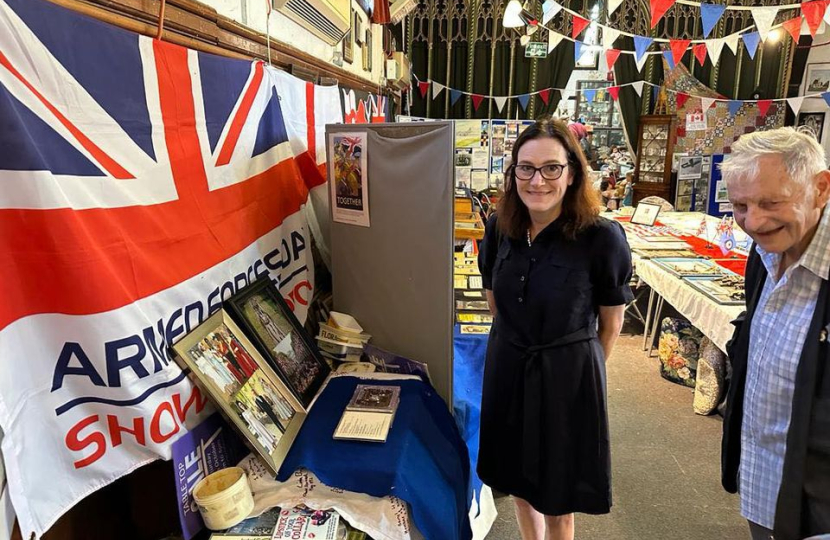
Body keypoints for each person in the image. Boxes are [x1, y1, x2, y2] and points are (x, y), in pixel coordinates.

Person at [477, 119, 633, 540]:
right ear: (513, 173)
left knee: (558, 495)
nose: (537, 180)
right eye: (525, 168)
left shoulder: (601, 238)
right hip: (509, 365)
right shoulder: (500, 227)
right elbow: (495, 301)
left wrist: (582, 376)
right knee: (517, 483)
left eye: (551, 168)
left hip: (567, 376)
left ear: (572, 172)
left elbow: (612, 323)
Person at [720, 127, 830, 540]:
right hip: (765, 483)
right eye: (740, 205)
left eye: (771, 203)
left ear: (821, 188)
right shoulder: (765, 251)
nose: (753, 222)